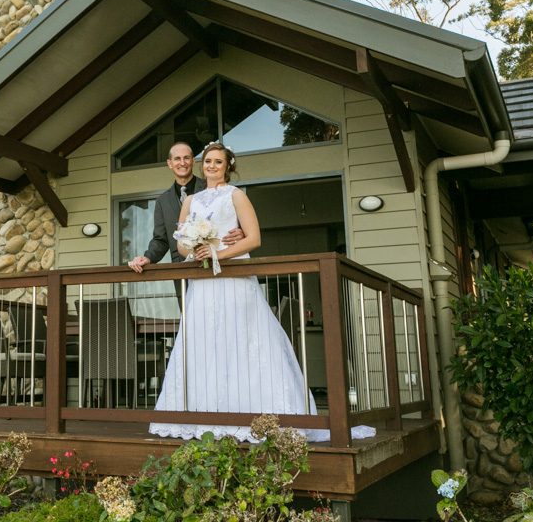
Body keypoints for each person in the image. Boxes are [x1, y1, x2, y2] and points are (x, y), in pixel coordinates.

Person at [142, 142, 376, 443]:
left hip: (234, 279)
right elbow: (181, 244)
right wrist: (195, 249)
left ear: (228, 165)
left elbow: (253, 238)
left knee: (242, 339)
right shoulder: (191, 202)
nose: (212, 166)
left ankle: (254, 414)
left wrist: (218, 253)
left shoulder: (236, 195)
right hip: (201, 286)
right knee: (204, 343)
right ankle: (204, 414)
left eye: (218, 162)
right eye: (208, 161)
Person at [127, 143, 243, 300]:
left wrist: (241, 231)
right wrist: (147, 257)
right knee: (191, 320)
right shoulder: (162, 201)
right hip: (182, 269)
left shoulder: (213, 186)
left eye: (186, 158)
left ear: (194, 161)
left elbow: (229, 216)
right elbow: (160, 239)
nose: (182, 163)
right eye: (177, 159)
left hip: (219, 265)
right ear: (170, 163)